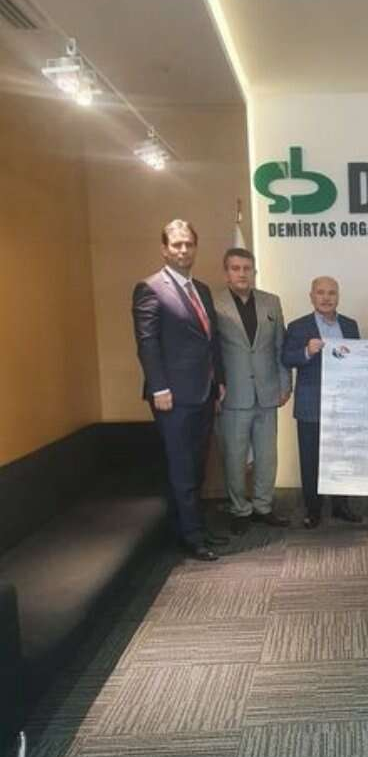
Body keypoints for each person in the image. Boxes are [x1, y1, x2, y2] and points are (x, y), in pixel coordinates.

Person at [132, 219, 228, 561]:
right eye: (176, 244)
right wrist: (159, 387)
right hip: (171, 396)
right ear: (164, 249)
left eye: (188, 244)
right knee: (182, 467)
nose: (183, 250)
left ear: (195, 247)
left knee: (197, 466)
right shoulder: (150, 289)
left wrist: (219, 381)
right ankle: (192, 537)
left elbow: (210, 340)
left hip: (204, 392)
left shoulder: (201, 289)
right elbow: (147, 343)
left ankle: (192, 527)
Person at [214, 247, 291, 533]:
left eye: (247, 268)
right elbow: (211, 352)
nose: (242, 274)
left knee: (267, 456)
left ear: (254, 272)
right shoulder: (214, 304)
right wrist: (214, 388)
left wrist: (285, 384)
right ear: (226, 273)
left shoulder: (271, 302)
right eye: (235, 268)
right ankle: (240, 509)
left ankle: (263, 506)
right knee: (234, 457)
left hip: (268, 392)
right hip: (233, 395)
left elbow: (281, 347)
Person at [282, 276, 362, 529]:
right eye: (321, 292)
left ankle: (341, 505)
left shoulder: (350, 325)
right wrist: (307, 351)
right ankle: (313, 509)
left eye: (331, 293)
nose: (326, 298)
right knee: (311, 459)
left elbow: (358, 361)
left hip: (343, 403)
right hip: (311, 404)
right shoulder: (298, 326)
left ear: (338, 297)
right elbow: (286, 358)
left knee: (342, 456)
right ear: (311, 296)